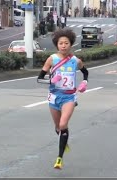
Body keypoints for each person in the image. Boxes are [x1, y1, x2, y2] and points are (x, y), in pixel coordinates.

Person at [37, 28, 89, 169]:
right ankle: (63, 140)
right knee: (57, 127)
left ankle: (59, 159)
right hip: (54, 96)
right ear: (57, 45)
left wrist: (84, 82)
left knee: (63, 124)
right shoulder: (52, 59)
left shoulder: (75, 60)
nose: (64, 45)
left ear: (71, 44)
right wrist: (51, 80)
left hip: (69, 97)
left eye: (66, 43)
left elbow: (85, 72)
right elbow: (39, 78)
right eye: (61, 43)